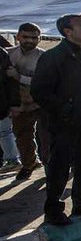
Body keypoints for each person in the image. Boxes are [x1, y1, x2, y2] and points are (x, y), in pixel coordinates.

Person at [31, 13, 81, 225]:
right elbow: (40, 91)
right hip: (65, 124)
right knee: (60, 167)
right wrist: (66, 110)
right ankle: (54, 210)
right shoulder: (54, 57)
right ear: (68, 31)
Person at [6, 22, 49, 180]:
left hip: (41, 104)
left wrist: (19, 77)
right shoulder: (8, 54)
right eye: (26, 37)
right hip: (20, 105)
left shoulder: (43, 57)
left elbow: (44, 82)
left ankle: (50, 166)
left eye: (34, 38)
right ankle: (29, 164)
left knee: (47, 137)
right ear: (18, 37)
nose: (30, 41)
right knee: (23, 137)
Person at [0, 43, 20, 173]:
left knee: (4, 132)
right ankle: (12, 159)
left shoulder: (1, 54)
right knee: (5, 132)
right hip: (3, 100)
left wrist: (14, 104)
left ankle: (12, 160)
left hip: (2, 101)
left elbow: (10, 81)